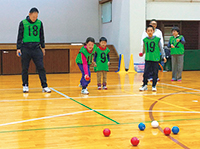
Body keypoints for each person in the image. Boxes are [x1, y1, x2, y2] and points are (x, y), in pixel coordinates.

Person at [16, 7, 51, 93]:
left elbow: (42, 35)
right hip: (26, 47)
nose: (35, 18)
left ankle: (44, 86)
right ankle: (25, 85)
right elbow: (19, 36)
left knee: (41, 67)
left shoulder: (39, 23)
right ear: (29, 15)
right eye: (33, 17)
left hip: (36, 47)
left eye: (36, 17)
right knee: (25, 68)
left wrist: (43, 47)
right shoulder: (23, 23)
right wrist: (18, 48)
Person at [139, 25, 167, 92]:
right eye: (148, 31)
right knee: (146, 73)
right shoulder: (145, 40)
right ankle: (144, 85)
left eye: (151, 31)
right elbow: (144, 48)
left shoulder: (157, 39)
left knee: (155, 73)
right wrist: (142, 53)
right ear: (146, 32)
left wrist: (164, 56)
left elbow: (161, 48)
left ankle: (154, 85)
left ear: (153, 31)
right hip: (148, 58)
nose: (150, 32)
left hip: (156, 58)